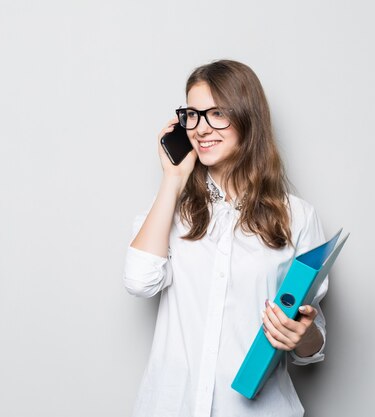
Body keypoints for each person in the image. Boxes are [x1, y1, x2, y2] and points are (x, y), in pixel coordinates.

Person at [123, 59, 329, 417]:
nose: (201, 129)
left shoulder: (297, 217)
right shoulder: (172, 210)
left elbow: (311, 340)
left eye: (216, 113)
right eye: (193, 115)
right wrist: (172, 180)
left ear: (247, 118)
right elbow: (139, 281)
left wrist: (303, 335)